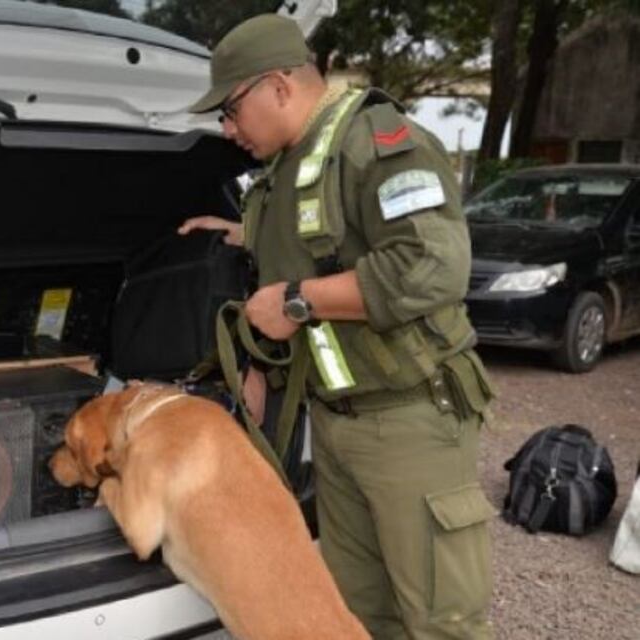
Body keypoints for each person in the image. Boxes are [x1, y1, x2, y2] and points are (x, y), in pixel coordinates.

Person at [178, 14, 497, 640]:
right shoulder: (286, 167)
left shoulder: (375, 142)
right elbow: (321, 242)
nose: (227, 129)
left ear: (278, 86)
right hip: (335, 422)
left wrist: (297, 302)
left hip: (410, 419)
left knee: (441, 623)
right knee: (357, 614)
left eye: (231, 110)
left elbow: (432, 265)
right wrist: (241, 234)